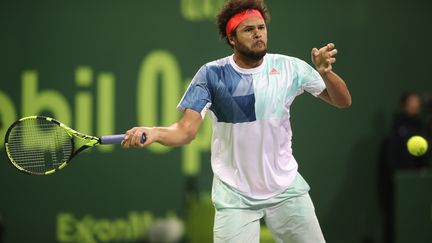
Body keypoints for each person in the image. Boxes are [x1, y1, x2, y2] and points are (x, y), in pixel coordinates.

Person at [122, 0, 351, 242]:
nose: (258, 34)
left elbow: (342, 100)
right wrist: (155, 133)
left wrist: (326, 72)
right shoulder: (211, 75)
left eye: (261, 28)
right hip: (235, 196)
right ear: (232, 38)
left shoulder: (289, 68)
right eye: (249, 30)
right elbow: (185, 131)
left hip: (286, 189)